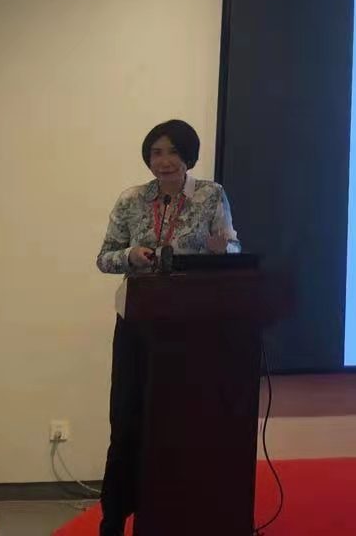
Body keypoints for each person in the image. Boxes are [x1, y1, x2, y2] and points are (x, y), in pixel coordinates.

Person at [94, 119, 240, 536]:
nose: (164, 161)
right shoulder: (131, 200)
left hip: (191, 327)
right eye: (156, 153)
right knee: (127, 422)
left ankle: (178, 514)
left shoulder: (211, 195)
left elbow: (234, 248)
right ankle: (114, 518)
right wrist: (130, 256)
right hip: (138, 324)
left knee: (182, 423)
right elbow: (104, 258)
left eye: (173, 152)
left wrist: (224, 250)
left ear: (188, 156)